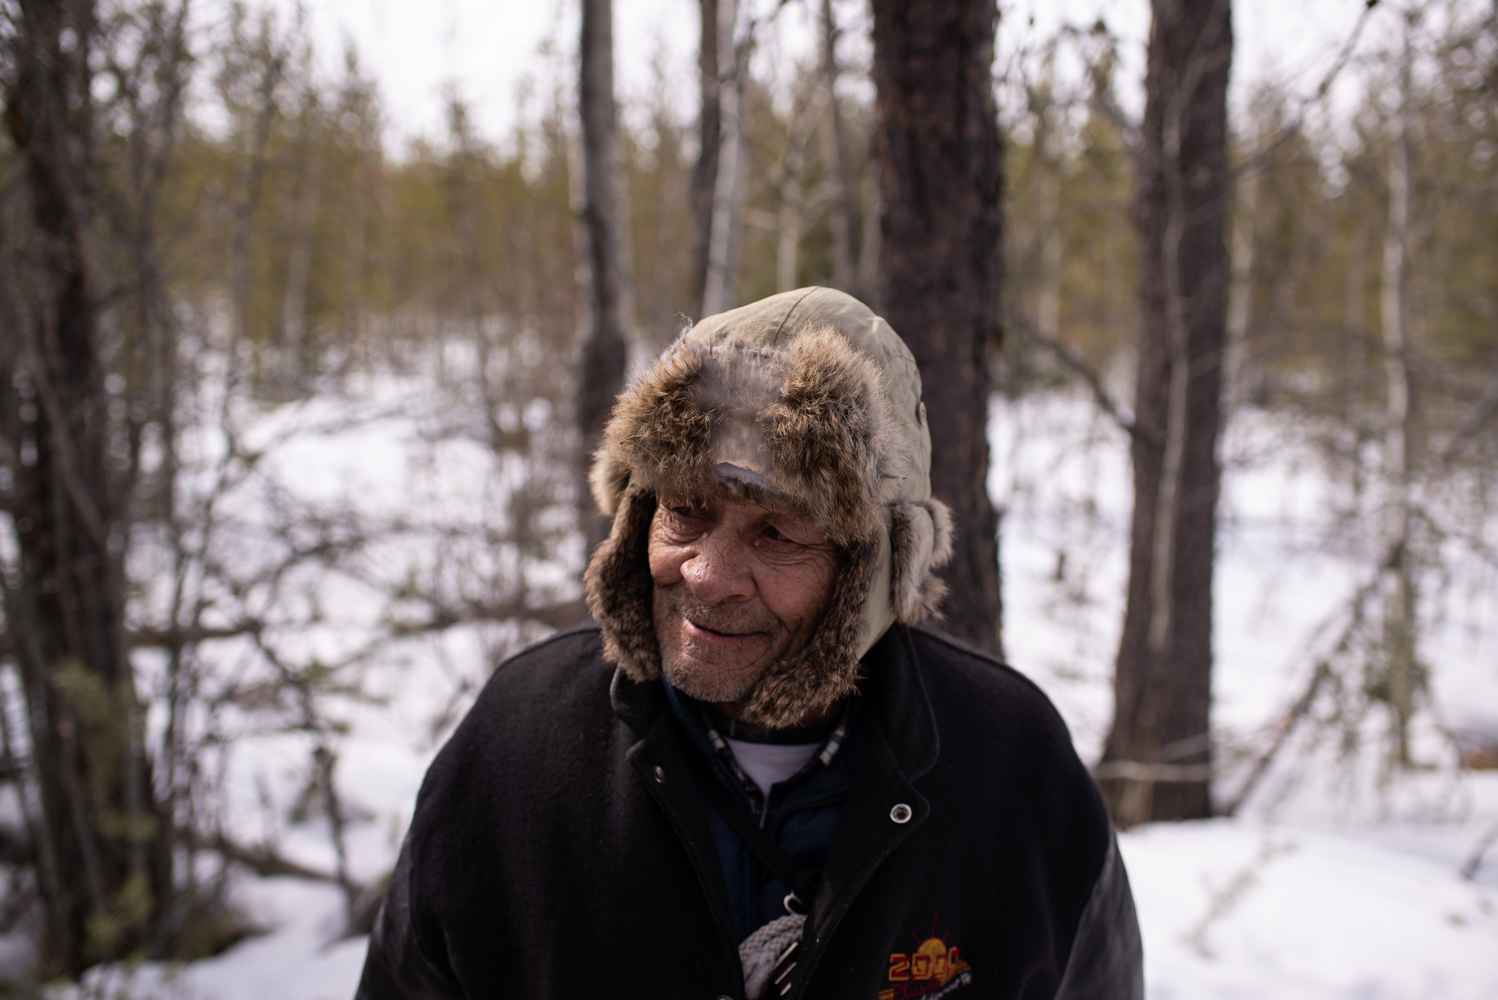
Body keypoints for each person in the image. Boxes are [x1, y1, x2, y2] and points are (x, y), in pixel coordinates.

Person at [355, 287, 1143, 1000]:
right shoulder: (519, 746)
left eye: (778, 532)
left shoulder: (1012, 769)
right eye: (687, 511)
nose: (710, 576)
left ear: (871, 572)